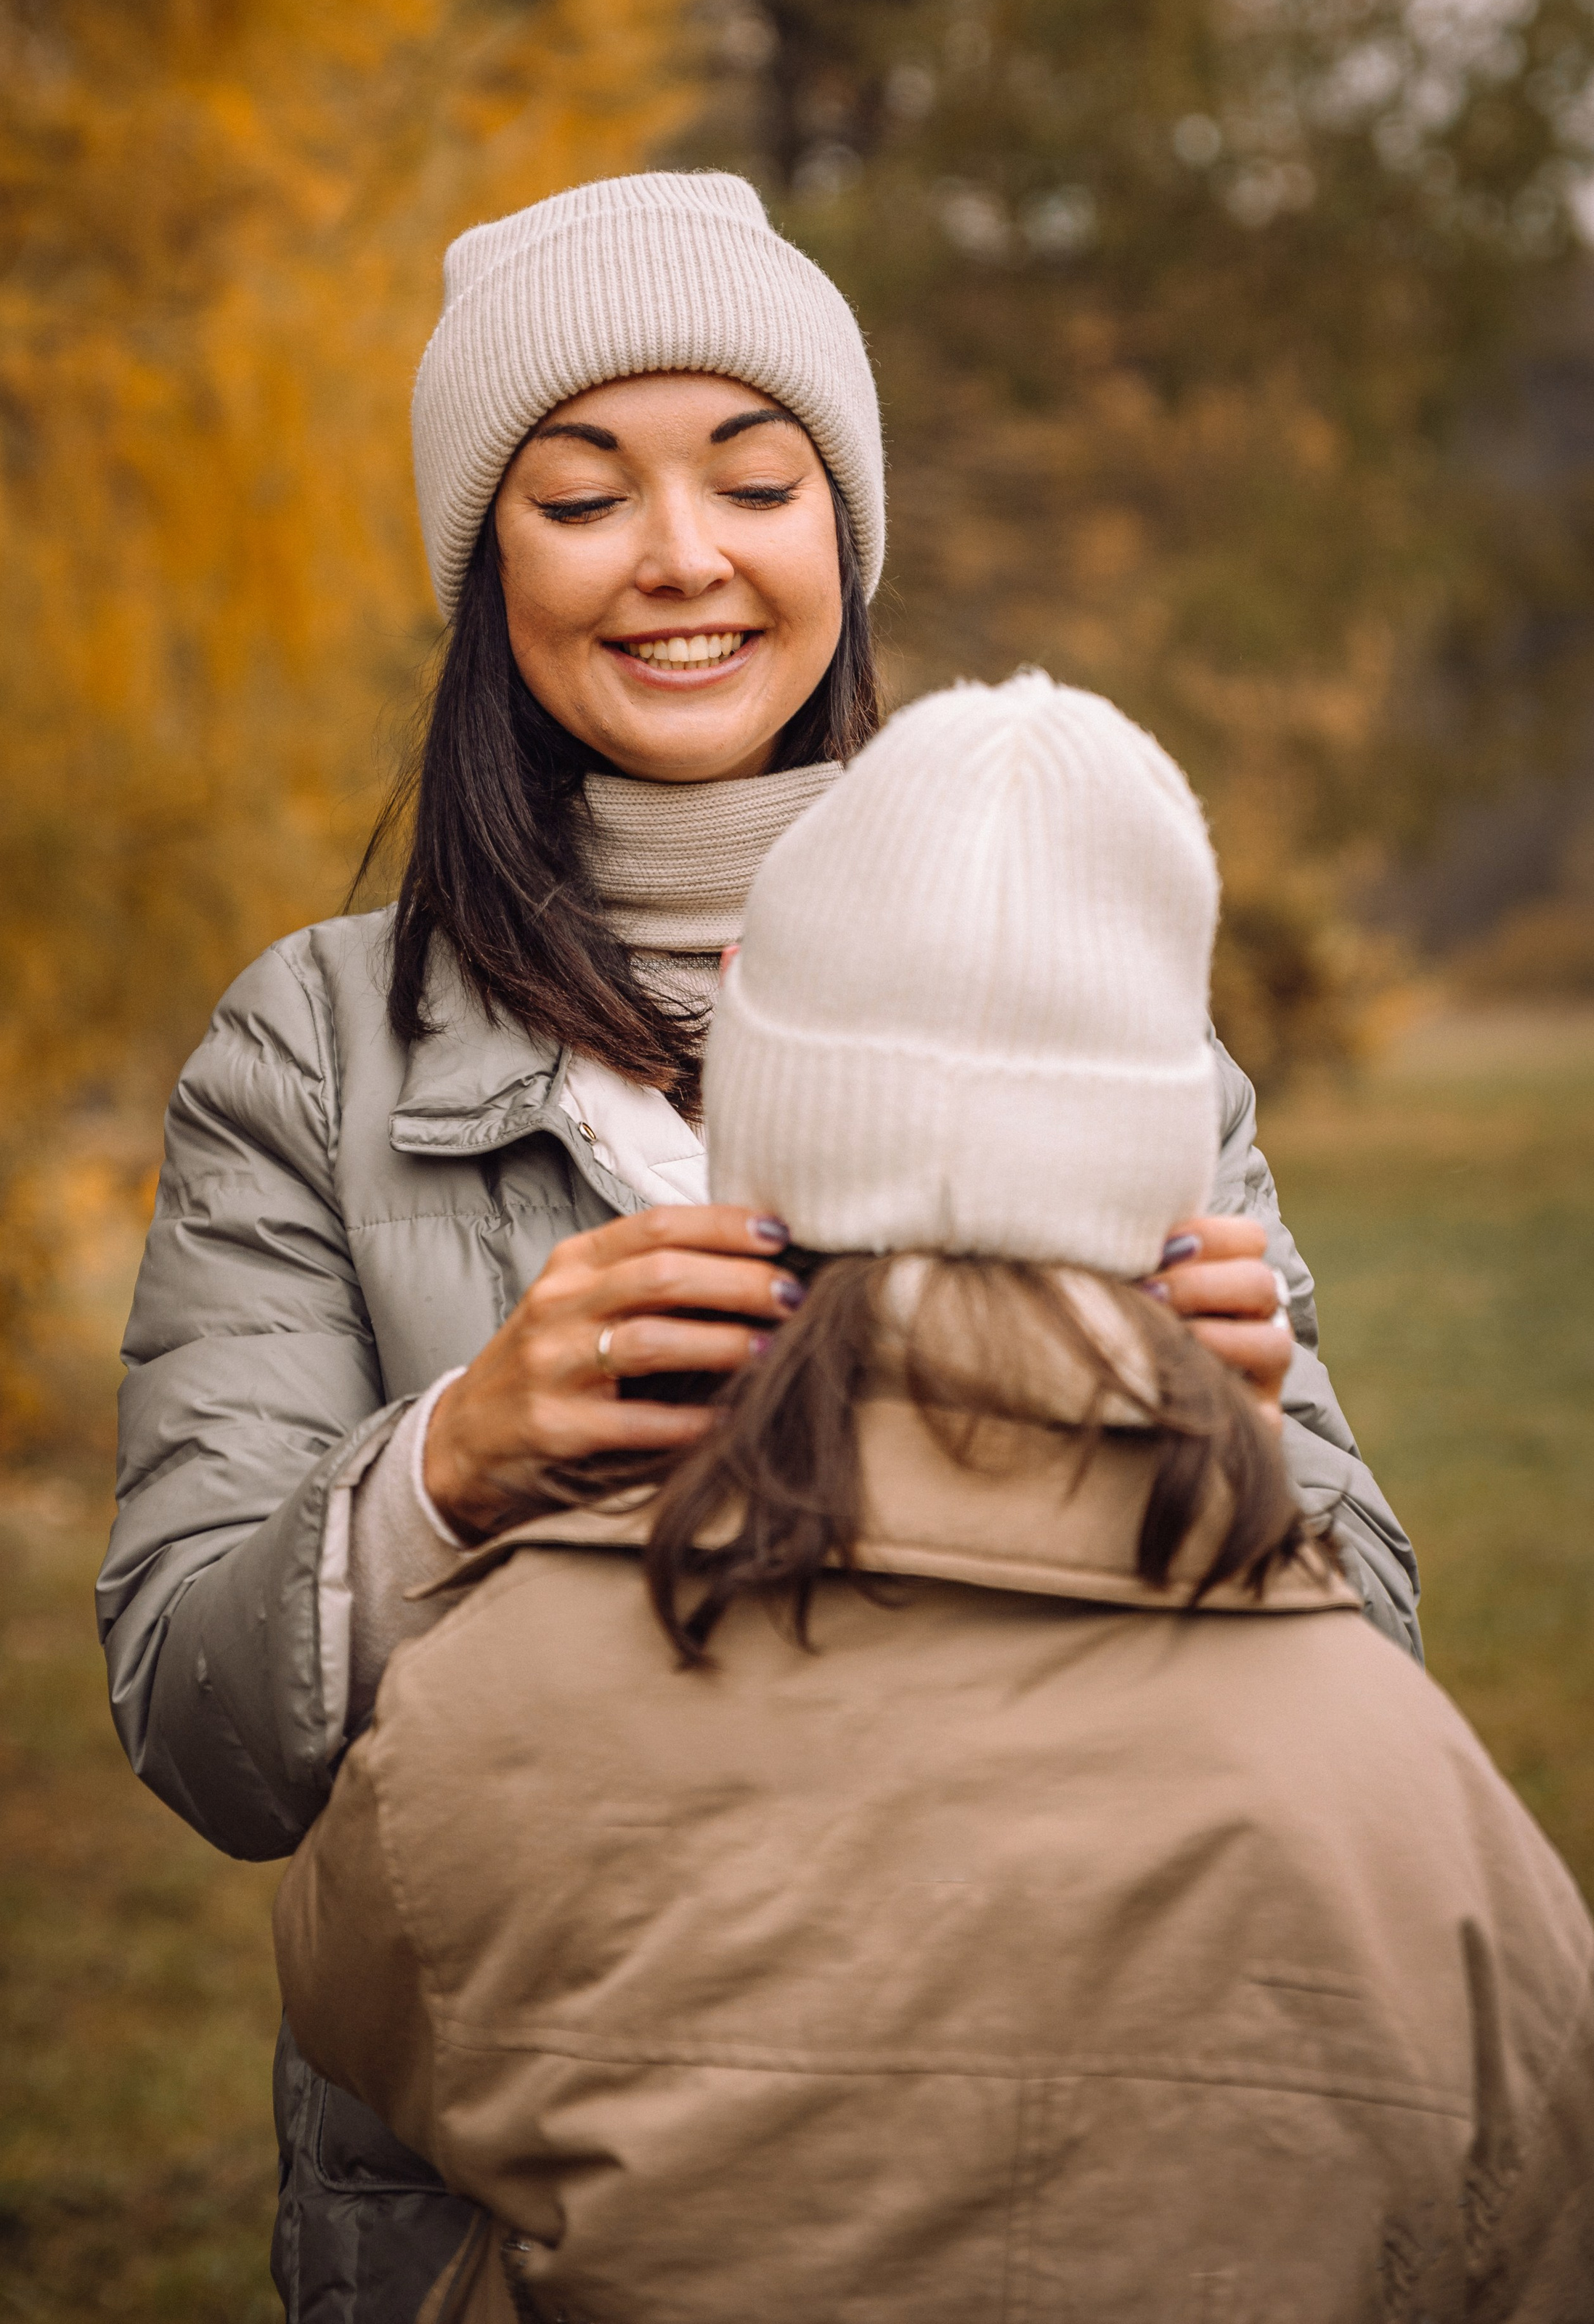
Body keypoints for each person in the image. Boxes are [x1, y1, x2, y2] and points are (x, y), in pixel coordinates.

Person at [95, 173, 1421, 2320]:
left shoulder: (1107, 1010)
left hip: (1031, 2185)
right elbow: (200, 1722)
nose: (683, 556)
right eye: (581, 493)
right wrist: (451, 1462)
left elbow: (1367, 1692)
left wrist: (1235, 1447)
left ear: (843, 535)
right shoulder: (319, 1054)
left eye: (757, 476)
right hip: (506, 2226)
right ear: (482, 566)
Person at [274, 675, 1594, 2324]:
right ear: (1167, 1195)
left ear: (749, 1132)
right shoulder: (1421, 1810)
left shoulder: (499, 1694)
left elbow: (352, 1994)